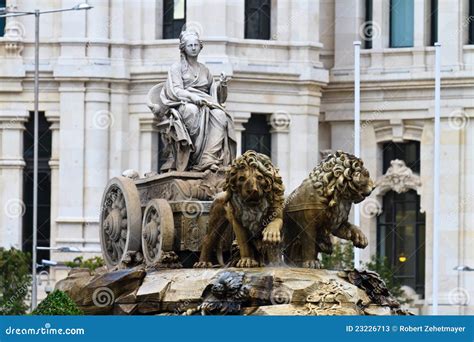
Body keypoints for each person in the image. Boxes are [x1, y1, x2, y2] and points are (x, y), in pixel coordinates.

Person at [151, 30, 237, 172]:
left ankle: (207, 158)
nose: (193, 47)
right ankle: (192, 155)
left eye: (196, 45)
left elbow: (215, 94)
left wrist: (222, 84)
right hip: (183, 103)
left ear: (200, 47)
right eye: (190, 45)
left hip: (206, 102)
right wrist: (192, 97)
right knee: (192, 111)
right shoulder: (176, 68)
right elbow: (175, 90)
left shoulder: (205, 70)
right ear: (183, 48)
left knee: (221, 116)